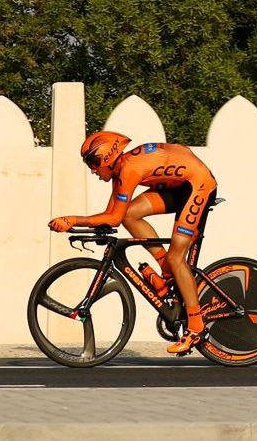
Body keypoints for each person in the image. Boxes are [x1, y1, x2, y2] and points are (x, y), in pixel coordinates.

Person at [48, 131, 217, 354]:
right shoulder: (121, 170)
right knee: (130, 215)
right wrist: (82, 224)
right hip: (180, 185)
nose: (92, 170)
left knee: (177, 258)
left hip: (198, 185)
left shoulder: (129, 170)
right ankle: (167, 271)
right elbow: (113, 214)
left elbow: (112, 218)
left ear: (107, 157)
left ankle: (196, 328)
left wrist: (73, 220)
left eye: (94, 163)